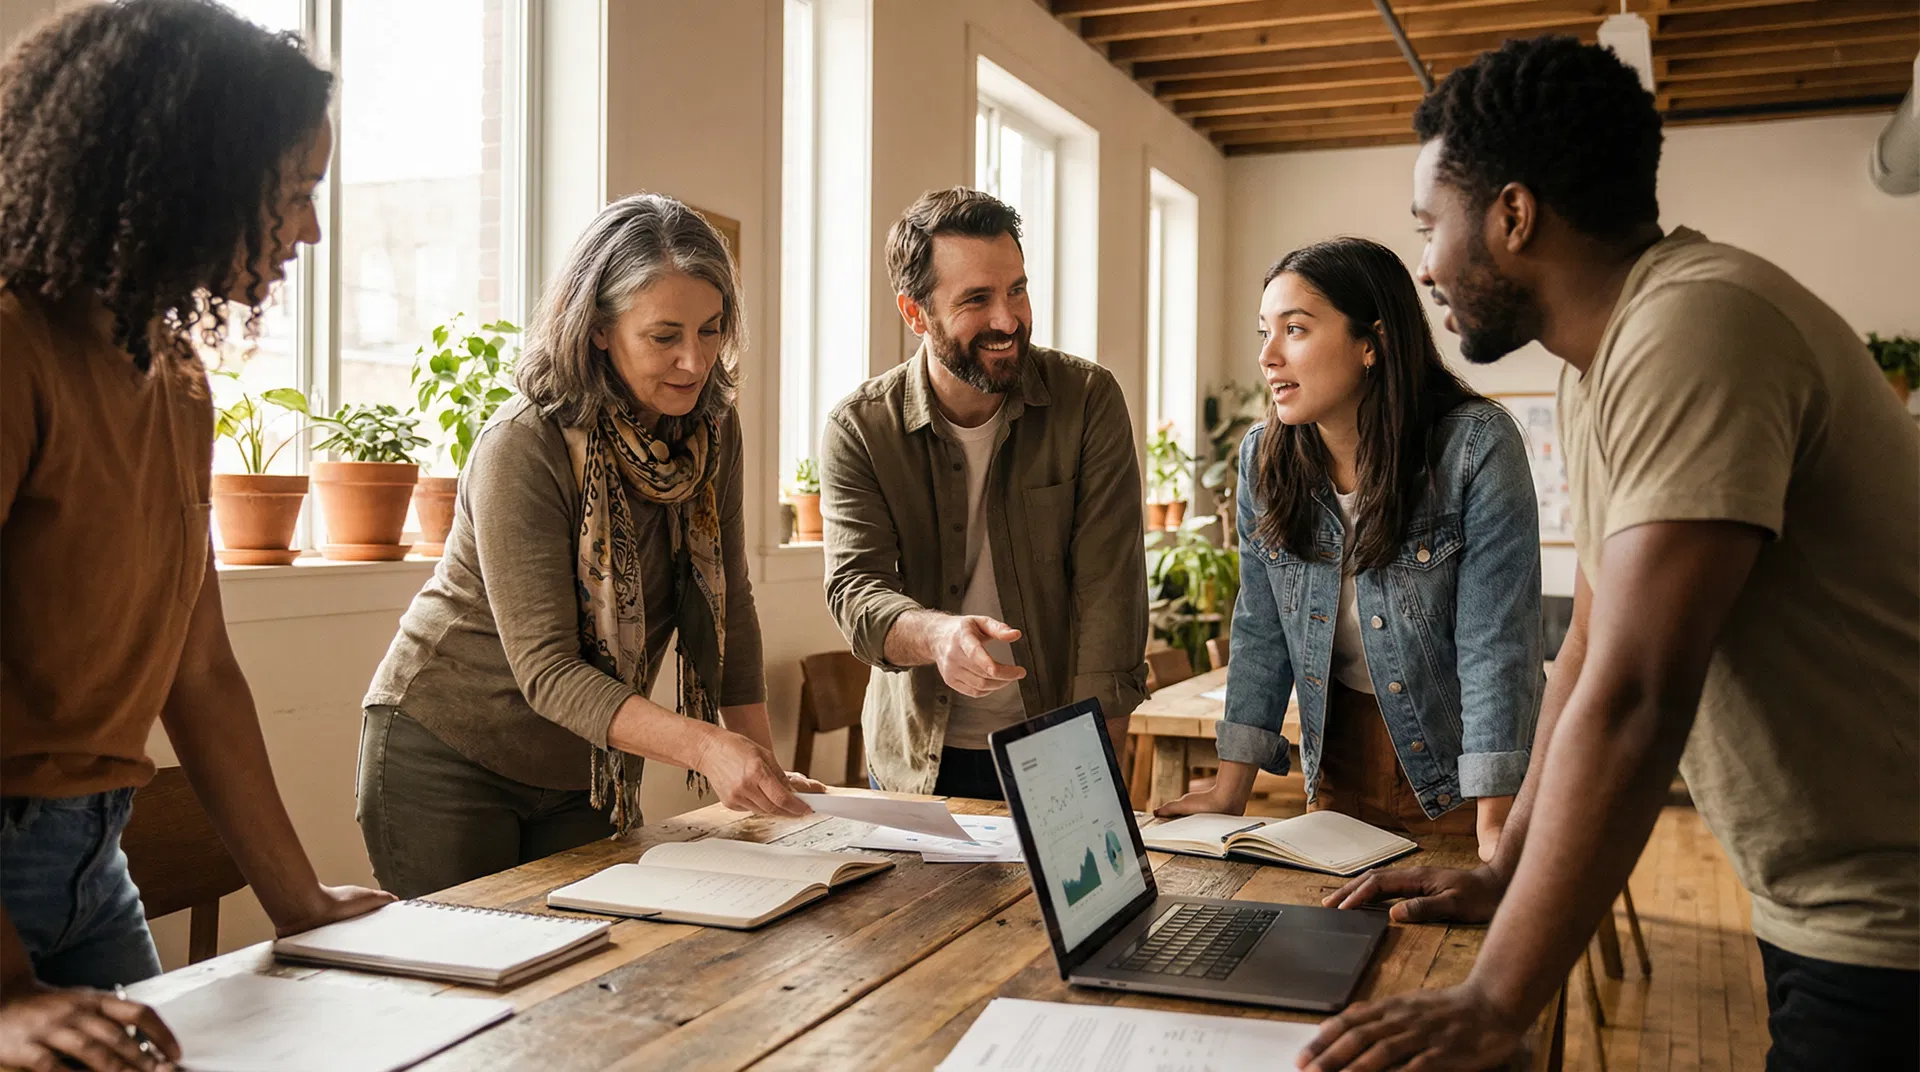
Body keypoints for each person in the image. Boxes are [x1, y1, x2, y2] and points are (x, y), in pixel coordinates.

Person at [1301, 36, 1919, 1072]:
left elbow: (1638, 693)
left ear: (1512, 213)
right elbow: (1588, 648)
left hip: (1892, 918)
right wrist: (1506, 872)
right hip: (1825, 899)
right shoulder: (1605, 367)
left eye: (1429, 226)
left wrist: (1499, 999)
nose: (1424, 264)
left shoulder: (1694, 325)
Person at [0, 2, 395, 1068]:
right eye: (293, 194)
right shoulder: (13, 344)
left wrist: (298, 897)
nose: (310, 230)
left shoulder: (175, 378)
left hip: (94, 855)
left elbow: (202, 665)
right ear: (180, 179)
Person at [358, 193, 826, 900]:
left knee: (581, 980)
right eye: (663, 335)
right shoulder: (524, 445)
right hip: (447, 755)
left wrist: (762, 762)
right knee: (473, 989)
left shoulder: (712, 434)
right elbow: (546, 669)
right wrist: (707, 746)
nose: (693, 361)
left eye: (710, 330)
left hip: (582, 768)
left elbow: (730, 611)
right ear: (600, 328)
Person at [1155, 238, 1541, 862]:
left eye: (1296, 329)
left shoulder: (1475, 448)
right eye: (1265, 332)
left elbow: (1496, 643)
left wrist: (1495, 823)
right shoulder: (1264, 457)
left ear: (1372, 343)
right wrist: (1230, 789)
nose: (1268, 355)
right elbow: (1260, 628)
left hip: (1464, 778)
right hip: (1337, 768)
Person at [821, 188, 1148, 800]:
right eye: (977, 299)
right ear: (915, 313)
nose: (1007, 320)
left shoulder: (1088, 401)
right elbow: (854, 591)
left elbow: (1111, 590)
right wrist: (938, 636)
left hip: (1059, 744)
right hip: (916, 761)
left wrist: (1097, 768)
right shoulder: (860, 429)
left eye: (1017, 290)